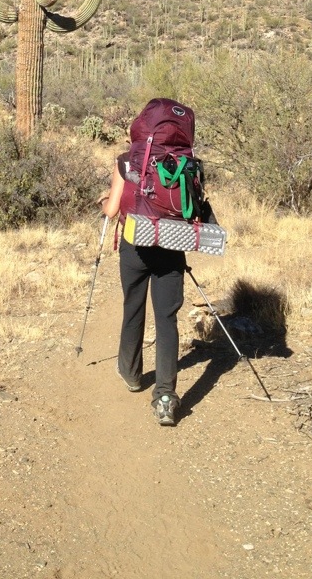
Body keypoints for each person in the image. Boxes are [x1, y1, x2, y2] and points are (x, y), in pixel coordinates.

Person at [102, 150, 186, 427]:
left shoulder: (127, 161)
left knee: (133, 308)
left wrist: (105, 202)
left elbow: (112, 210)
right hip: (172, 245)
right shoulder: (185, 161)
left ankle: (131, 374)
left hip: (135, 246)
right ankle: (165, 397)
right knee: (166, 319)